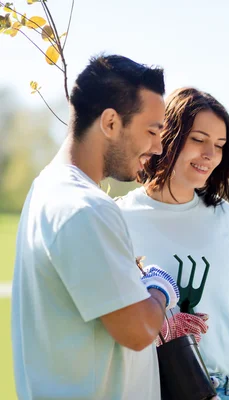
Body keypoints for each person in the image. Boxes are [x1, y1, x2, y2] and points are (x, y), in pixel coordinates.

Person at [11, 54, 181, 400]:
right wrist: (160, 285)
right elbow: (137, 331)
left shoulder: (47, 189)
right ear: (111, 123)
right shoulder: (85, 208)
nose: (159, 147)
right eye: (151, 130)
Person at [116, 87, 229, 400]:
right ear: (168, 136)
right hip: (166, 390)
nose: (210, 155)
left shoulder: (223, 215)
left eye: (219, 145)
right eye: (198, 139)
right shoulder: (120, 218)